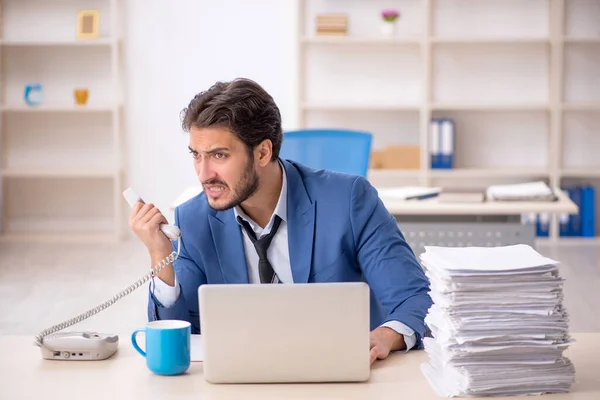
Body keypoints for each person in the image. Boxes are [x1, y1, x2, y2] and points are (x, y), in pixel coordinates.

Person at [129, 78, 432, 365]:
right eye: (196, 155)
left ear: (262, 152)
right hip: (245, 379)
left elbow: (417, 299)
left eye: (219, 155)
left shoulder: (349, 201)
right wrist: (160, 257)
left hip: (340, 375)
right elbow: (181, 336)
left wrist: (387, 335)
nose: (203, 173)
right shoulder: (193, 219)